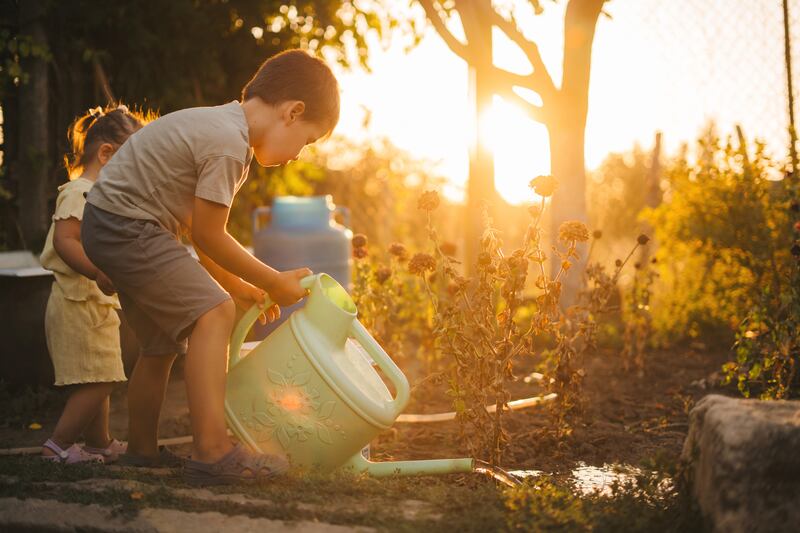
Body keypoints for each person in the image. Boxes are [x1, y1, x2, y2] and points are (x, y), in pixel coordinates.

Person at [81, 50, 339, 484]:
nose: (298, 155)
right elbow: (208, 237)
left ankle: (141, 451)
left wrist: (239, 285)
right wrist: (273, 281)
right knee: (213, 313)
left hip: (113, 223)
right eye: (308, 141)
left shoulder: (219, 126)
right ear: (293, 112)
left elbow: (199, 232)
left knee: (160, 343)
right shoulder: (228, 145)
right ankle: (213, 450)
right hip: (126, 224)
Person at [40, 105, 145, 463]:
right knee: (101, 378)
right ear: (106, 154)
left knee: (101, 374)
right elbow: (65, 240)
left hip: (94, 306)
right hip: (78, 303)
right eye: (132, 164)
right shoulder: (79, 192)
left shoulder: (98, 197)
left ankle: (99, 441)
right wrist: (98, 272)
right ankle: (58, 445)